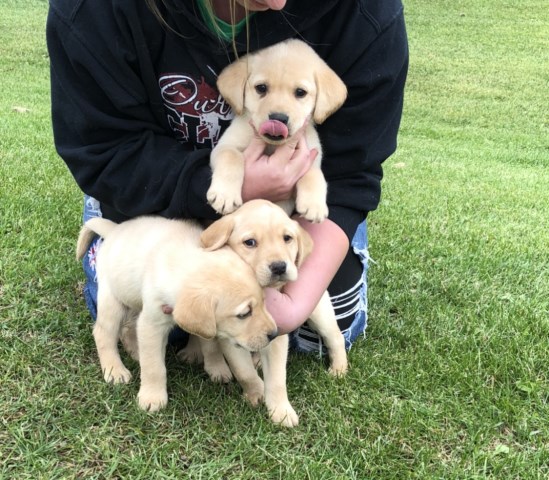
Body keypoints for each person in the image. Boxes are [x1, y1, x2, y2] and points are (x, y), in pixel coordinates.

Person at [46, 0, 408, 354]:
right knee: (170, 321)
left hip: (293, 208)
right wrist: (222, 185)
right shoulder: (91, 10)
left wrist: (294, 303)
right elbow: (104, 150)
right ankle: (115, 222)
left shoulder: (366, 13)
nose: (277, 2)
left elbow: (351, 171)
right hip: (159, 191)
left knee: (317, 334)